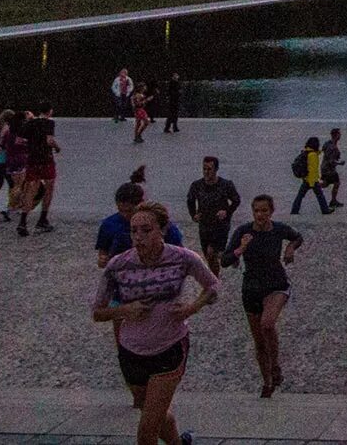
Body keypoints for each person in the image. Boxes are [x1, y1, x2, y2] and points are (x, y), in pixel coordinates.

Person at [92, 201, 217, 445]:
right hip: (131, 352)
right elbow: (97, 312)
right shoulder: (119, 265)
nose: (138, 237)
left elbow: (212, 287)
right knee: (151, 411)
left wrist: (192, 307)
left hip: (169, 348)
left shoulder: (183, 258)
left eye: (146, 230)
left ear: (162, 229)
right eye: (133, 230)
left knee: (146, 430)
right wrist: (125, 310)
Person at [221, 195, 303, 398]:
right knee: (259, 341)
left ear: (271, 211)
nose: (260, 215)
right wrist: (241, 249)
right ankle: (267, 383)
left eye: (264, 211)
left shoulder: (278, 229)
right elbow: (225, 259)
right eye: (256, 211)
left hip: (276, 284)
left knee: (267, 324)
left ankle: (275, 365)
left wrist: (290, 248)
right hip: (251, 288)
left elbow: (297, 237)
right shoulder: (243, 231)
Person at [97, 172, 184, 267]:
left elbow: (180, 254)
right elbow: (103, 253)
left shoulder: (160, 224)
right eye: (121, 210)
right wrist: (103, 260)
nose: (125, 215)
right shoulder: (109, 225)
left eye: (129, 211)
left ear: (140, 204)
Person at [186, 156, 241, 275]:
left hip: (220, 225)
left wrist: (227, 211)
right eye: (204, 169)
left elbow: (236, 200)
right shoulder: (197, 185)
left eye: (209, 169)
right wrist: (193, 214)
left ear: (216, 169)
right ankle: (230, 256)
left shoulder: (226, 185)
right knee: (209, 255)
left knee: (212, 252)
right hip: (205, 225)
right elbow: (190, 200)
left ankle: (214, 282)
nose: (206, 172)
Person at [17, 103, 60, 237]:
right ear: (50, 111)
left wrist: (31, 144)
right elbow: (49, 141)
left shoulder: (29, 123)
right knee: (49, 188)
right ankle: (43, 219)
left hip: (32, 159)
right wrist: (57, 147)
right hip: (46, 159)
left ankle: (23, 221)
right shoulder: (49, 123)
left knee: (31, 189)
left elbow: (19, 141)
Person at [290, 136, 332, 215]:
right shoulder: (312, 155)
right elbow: (312, 170)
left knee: (300, 196)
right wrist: (313, 182)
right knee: (320, 196)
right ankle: (325, 210)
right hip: (312, 180)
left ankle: (294, 210)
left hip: (306, 179)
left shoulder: (306, 152)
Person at [321, 128, 344, 211]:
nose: (340, 135)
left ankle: (314, 186)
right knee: (337, 183)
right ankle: (333, 201)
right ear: (336, 135)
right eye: (339, 134)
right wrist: (340, 163)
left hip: (324, 168)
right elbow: (331, 161)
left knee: (326, 183)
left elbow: (323, 151)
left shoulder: (328, 143)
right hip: (329, 170)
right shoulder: (332, 147)